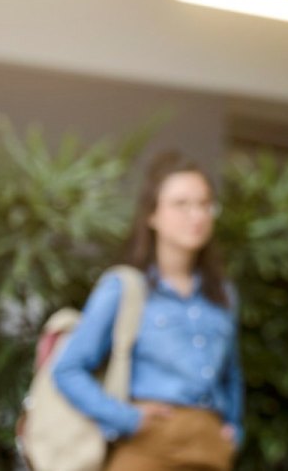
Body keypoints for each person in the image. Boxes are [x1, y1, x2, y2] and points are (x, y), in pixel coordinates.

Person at [54, 151, 244, 471]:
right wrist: (127, 419)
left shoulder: (223, 294)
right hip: (148, 447)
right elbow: (68, 369)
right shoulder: (125, 287)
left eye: (204, 204)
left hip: (211, 449)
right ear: (152, 215)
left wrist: (234, 428)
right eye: (181, 204)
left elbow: (231, 374)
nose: (196, 215)